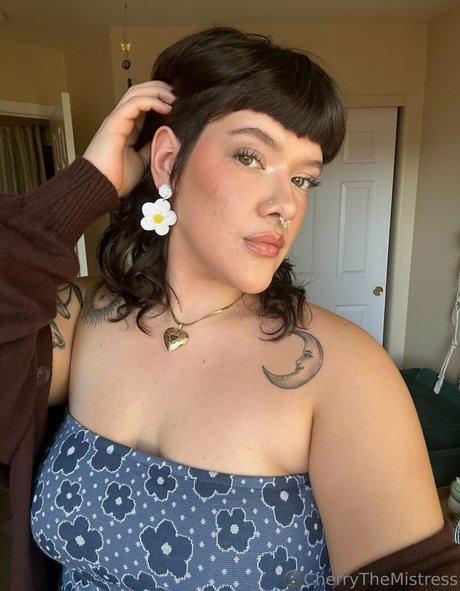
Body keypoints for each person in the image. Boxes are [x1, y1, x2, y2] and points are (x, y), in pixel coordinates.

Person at [1, 26, 459, 591]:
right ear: (167, 159)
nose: (285, 204)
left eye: (303, 178)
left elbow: (421, 579)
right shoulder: (83, 316)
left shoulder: (346, 373)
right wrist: (83, 188)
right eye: (250, 156)